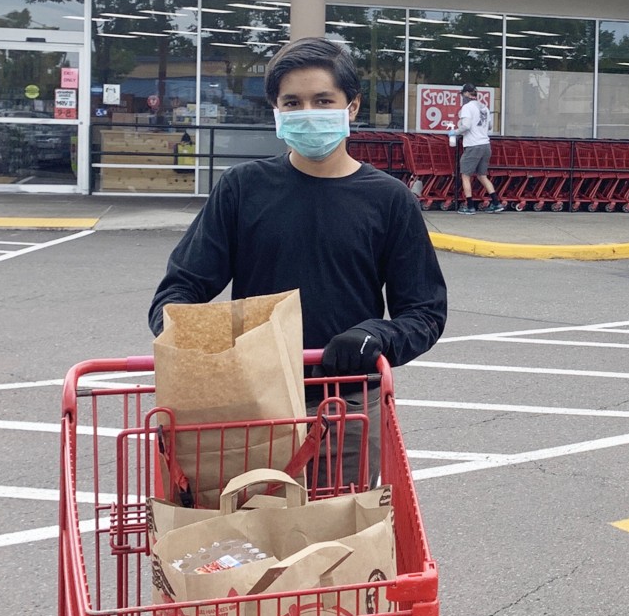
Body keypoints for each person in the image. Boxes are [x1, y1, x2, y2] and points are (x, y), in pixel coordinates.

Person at [148, 36, 447, 487]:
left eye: (322, 100)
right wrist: (193, 341)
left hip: (344, 406)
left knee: (336, 543)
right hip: (249, 406)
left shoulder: (389, 200)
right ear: (276, 110)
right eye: (293, 102)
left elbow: (424, 312)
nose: (307, 111)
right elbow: (179, 292)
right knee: (251, 542)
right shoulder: (244, 189)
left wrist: (377, 335)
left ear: (351, 107)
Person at [449, 83, 504, 214]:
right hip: (486, 145)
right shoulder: (484, 107)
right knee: (482, 175)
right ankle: (496, 203)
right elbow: (489, 126)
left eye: (463, 94)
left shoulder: (467, 107)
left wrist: (454, 132)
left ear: (467, 94)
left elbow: (466, 125)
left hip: (473, 145)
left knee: (465, 175)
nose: (462, 96)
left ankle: (470, 206)